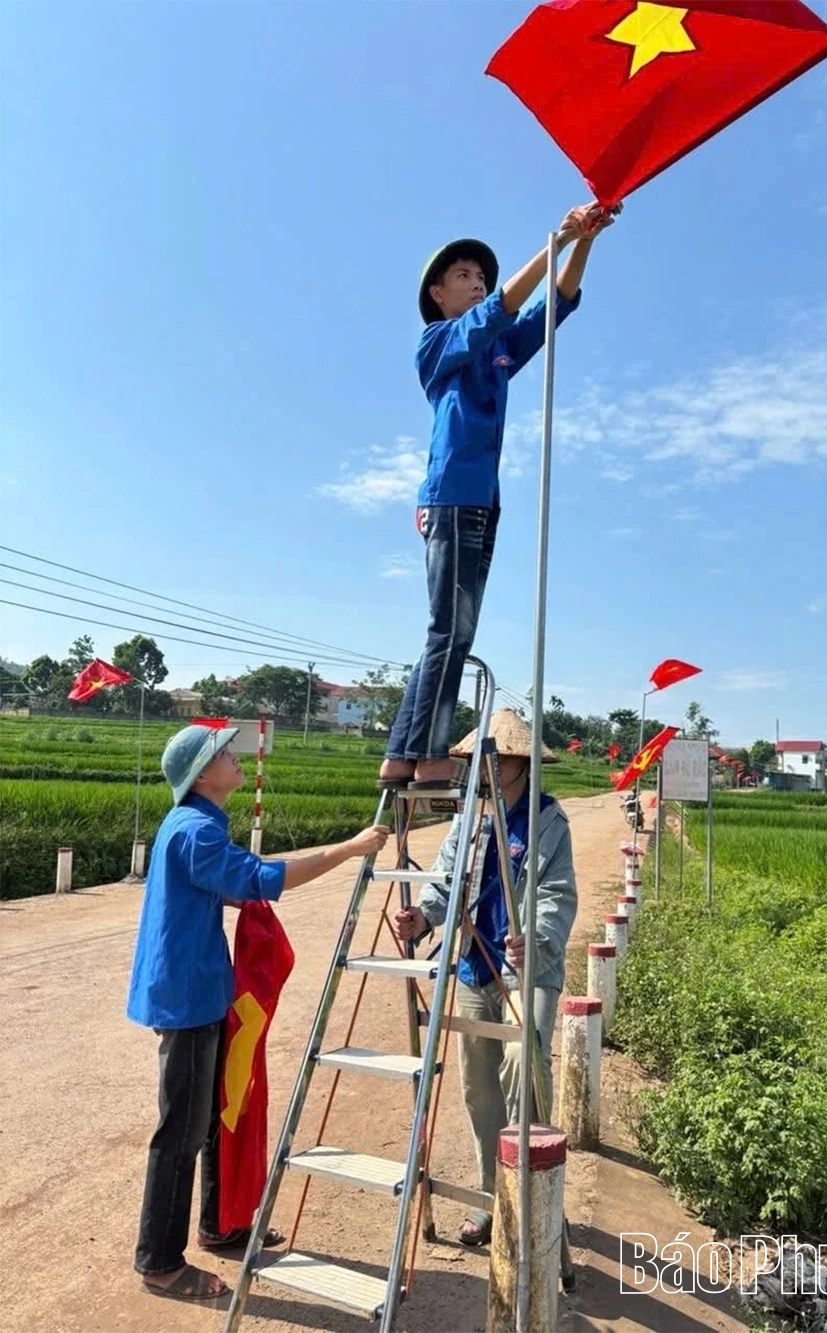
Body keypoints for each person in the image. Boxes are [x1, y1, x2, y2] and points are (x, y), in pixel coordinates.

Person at [127, 723, 390, 1304]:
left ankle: (221, 1225)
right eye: (222, 754)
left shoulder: (197, 828)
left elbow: (236, 884)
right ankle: (160, 1262)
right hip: (189, 996)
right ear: (201, 775)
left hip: (200, 989)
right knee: (183, 1130)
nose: (234, 758)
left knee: (220, 1110)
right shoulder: (196, 831)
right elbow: (263, 880)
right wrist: (349, 849)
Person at [379, 203, 620, 792]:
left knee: (451, 633)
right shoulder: (438, 343)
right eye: (463, 275)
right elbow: (500, 309)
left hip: (481, 499)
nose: (477, 280)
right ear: (437, 293)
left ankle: (401, 755)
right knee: (449, 632)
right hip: (454, 493)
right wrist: (556, 239)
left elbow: (551, 308)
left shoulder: (494, 352)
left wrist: (583, 242)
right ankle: (427, 754)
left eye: (481, 274)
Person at [394, 709, 577, 1245]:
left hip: (526, 971)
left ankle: (536, 1196)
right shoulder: (468, 818)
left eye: (495, 762)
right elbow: (446, 879)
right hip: (474, 967)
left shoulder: (548, 822)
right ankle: (492, 1196)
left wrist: (534, 940)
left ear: (521, 765)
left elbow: (557, 894)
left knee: (525, 1068)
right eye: (479, 762)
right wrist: (423, 916)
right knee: (478, 1086)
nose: (487, 771)